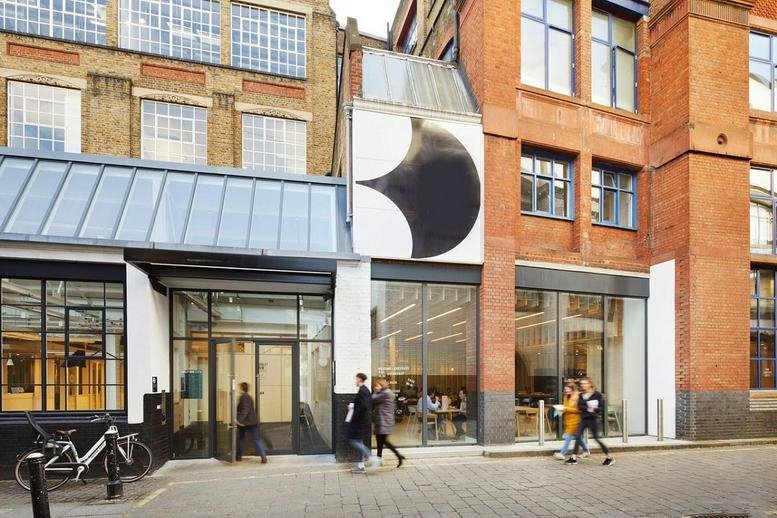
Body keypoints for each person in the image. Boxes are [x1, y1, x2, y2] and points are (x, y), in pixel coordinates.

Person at [565, 377, 614, 466]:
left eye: (585, 383)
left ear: (590, 384)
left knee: (596, 439)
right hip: (583, 419)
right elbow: (579, 407)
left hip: (593, 420)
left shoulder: (597, 395)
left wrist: (594, 408)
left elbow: (601, 408)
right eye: (582, 384)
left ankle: (609, 457)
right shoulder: (581, 395)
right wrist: (588, 407)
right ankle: (573, 457)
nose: (583, 385)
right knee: (577, 436)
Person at [372, 378, 406, 467]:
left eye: (377, 385)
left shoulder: (385, 393)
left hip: (384, 421)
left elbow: (373, 399)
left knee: (384, 441)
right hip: (384, 420)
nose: (375, 387)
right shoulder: (387, 392)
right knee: (380, 441)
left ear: (382, 385)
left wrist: (376, 391)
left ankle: (398, 456)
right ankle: (379, 459)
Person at [348, 372, 376, 474]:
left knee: (354, 442)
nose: (355, 381)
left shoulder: (363, 390)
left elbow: (364, 406)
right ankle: (360, 466)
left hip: (360, 422)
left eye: (356, 379)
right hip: (361, 421)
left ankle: (371, 457)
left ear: (359, 379)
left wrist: (354, 408)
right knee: (358, 442)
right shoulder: (364, 390)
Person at [553, 382, 590, 459]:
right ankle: (586, 451)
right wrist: (560, 409)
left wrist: (565, 408)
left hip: (576, 421)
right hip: (569, 421)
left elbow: (578, 410)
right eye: (565, 390)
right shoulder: (566, 397)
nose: (566, 392)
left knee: (568, 437)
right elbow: (566, 407)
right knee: (578, 438)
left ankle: (562, 453)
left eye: (568, 390)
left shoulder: (577, 398)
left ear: (573, 390)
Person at [235, 382, 267, 463]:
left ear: (242, 388)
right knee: (256, 439)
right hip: (252, 421)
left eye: (239, 388)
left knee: (241, 439)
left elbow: (245, 410)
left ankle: (238, 456)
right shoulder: (248, 396)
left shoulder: (244, 397)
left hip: (246, 423)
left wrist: (239, 420)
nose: (238, 390)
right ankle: (263, 456)